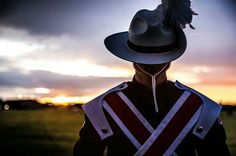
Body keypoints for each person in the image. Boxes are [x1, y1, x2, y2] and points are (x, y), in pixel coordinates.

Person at [73, 0, 231, 155]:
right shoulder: (102, 108)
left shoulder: (201, 108)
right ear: (171, 58)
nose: (151, 65)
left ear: (130, 56)